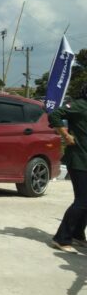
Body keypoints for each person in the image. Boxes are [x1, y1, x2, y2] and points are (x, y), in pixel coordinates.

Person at [49, 84, 87, 253]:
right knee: (82, 201)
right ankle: (61, 238)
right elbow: (54, 114)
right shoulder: (79, 105)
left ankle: (77, 234)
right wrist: (65, 135)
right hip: (79, 160)